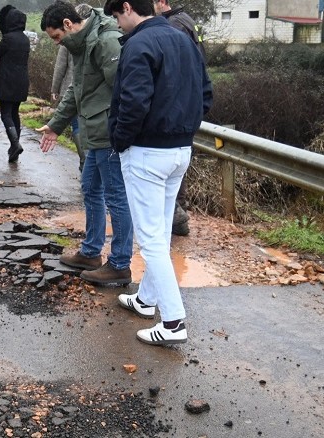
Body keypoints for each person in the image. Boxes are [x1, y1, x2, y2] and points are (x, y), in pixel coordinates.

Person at [104, 0, 212, 345]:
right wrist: (184, 128)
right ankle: (146, 299)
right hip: (180, 150)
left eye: (117, 17)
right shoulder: (184, 39)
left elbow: (133, 102)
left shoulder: (139, 43)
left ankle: (173, 322)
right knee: (161, 230)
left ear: (127, 8)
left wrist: (120, 140)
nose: (118, 24)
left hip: (146, 152)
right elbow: (205, 93)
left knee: (151, 238)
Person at [37, 1, 133, 287]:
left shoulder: (105, 40)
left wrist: (121, 132)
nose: (57, 43)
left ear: (68, 24)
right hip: (95, 132)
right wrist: (55, 125)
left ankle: (120, 264)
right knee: (90, 187)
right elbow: (76, 90)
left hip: (109, 133)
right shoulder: (81, 44)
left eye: (56, 36)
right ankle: (91, 253)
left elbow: (124, 90)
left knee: (116, 196)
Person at [153, 0, 205, 236]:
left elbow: (174, 68)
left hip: (178, 102)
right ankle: (177, 214)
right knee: (178, 163)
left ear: (162, 2)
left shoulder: (173, 25)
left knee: (172, 162)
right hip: (188, 100)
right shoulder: (186, 20)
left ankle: (177, 216)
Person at [50, 3, 93, 172]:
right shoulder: (86, 35)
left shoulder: (67, 40)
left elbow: (60, 67)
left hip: (71, 88)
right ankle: (87, 159)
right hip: (80, 89)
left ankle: (84, 159)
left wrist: (54, 89)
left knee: (76, 126)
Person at [0, 4, 30, 163]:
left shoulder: (8, 39)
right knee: (15, 113)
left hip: (7, 81)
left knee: (5, 114)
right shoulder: (25, 39)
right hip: (22, 81)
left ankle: (15, 144)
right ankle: (15, 147)